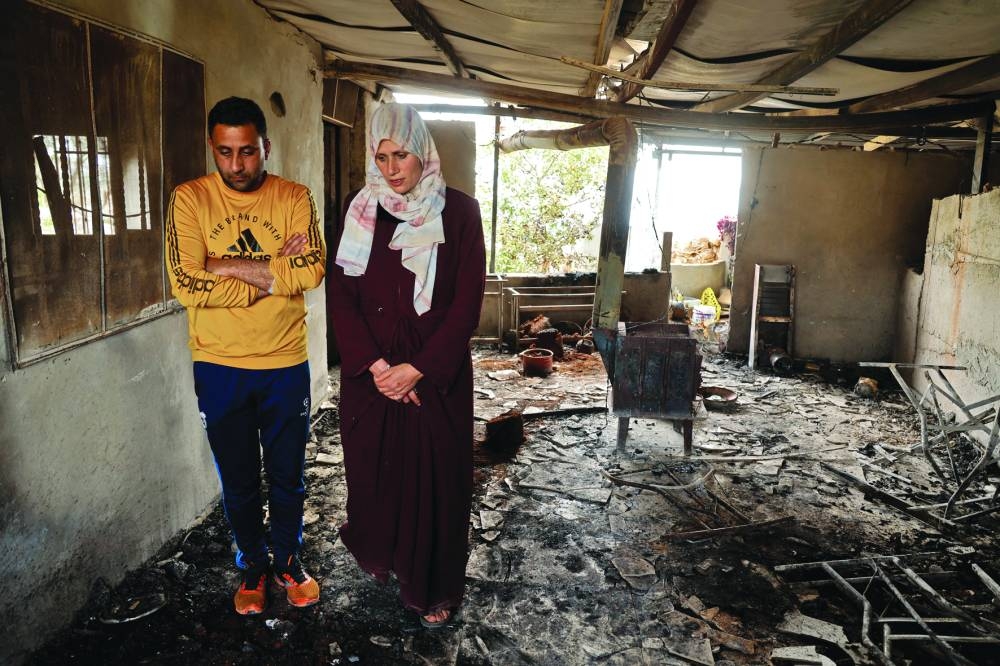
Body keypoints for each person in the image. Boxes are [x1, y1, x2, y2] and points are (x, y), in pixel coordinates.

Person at [165, 97, 326, 615]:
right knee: (237, 478)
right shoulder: (189, 200)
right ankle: (252, 566)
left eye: (249, 153)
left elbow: (312, 270)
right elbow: (186, 283)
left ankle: (287, 560)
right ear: (213, 149)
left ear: (266, 147)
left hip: (284, 362)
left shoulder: (294, 197)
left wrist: (224, 265)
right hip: (219, 365)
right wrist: (269, 275)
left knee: (287, 474)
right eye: (225, 153)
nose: (237, 166)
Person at [328, 103, 485, 628]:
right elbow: (342, 297)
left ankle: (433, 586)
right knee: (376, 475)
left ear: (423, 153)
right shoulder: (360, 213)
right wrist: (377, 368)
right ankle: (388, 557)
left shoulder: (459, 213)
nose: (393, 168)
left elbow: (466, 305)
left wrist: (417, 368)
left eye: (402, 155)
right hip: (373, 378)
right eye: (383, 156)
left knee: (437, 483)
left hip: (434, 377)